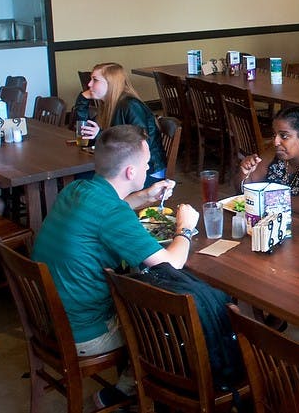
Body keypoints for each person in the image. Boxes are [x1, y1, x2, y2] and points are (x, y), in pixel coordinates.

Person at [33, 124, 196, 407]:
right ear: (131, 172)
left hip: (46, 316)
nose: (148, 169)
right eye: (146, 164)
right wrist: (185, 229)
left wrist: (144, 197)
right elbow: (172, 264)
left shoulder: (78, 188)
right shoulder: (112, 212)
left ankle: (128, 387)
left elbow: (108, 209)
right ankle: (134, 392)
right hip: (83, 333)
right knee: (166, 320)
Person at [74, 62, 166, 187]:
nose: (89, 84)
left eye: (95, 80)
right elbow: (84, 132)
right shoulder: (108, 105)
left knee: (83, 182)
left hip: (146, 171)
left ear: (111, 84)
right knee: (80, 179)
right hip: (124, 165)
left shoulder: (130, 105)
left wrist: (100, 135)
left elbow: (140, 144)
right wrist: (82, 100)